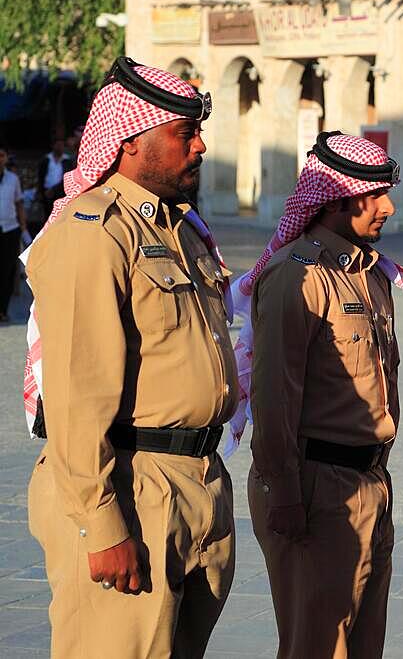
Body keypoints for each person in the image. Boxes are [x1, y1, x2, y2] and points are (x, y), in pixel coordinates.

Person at [23, 56, 237, 658]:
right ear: (128, 140)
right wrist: (101, 521)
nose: (199, 145)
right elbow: (74, 393)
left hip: (194, 482)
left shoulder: (181, 230)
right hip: (131, 482)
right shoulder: (96, 230)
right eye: (183, 133)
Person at [238, 132, 403, 658]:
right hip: (316, 487)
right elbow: (274, 399)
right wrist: (286, 493)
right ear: (336, 198)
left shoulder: (367, 275)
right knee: (317, 647)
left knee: (364, 646)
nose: (388, 208)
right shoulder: (295, 276)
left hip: (370, 482)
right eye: (373, 195)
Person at [0, 145, 26, 321]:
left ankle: (2, 310)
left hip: (10, 229)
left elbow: (19, 203)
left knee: (7, 271)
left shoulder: (13, 179)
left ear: (6, 158)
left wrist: (23, 227)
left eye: (1, 155)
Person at [36, 137, 72, 219]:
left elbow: (68, 176)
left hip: (61, 192)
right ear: (53, 146)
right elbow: (41, 176)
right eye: (58, 145)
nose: (60, 147)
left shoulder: (67, 161)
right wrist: (40, 191)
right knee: (47, 215)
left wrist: (55, 189)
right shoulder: (46, 160)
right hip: (46, 192)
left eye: (62, 145)